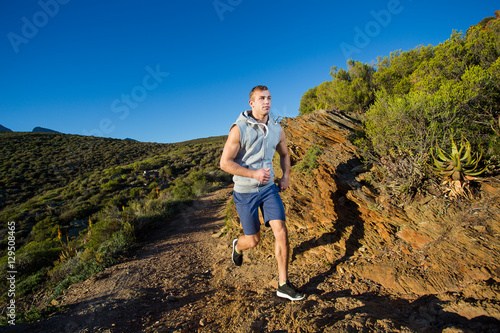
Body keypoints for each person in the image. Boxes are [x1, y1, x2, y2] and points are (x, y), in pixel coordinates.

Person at [220, 85, 305, 301]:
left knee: (281, 231)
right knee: (253, 240)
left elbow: (285, 154)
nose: (266, 102)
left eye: (269, 98)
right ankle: (238, 246)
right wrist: (252, 174)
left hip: (268, 190)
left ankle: (283, 284)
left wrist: (286, 176)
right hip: (245, 192)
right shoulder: (238, 128)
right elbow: (224, 163)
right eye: (261, 98)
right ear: (252, 103)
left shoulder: (277, 129)